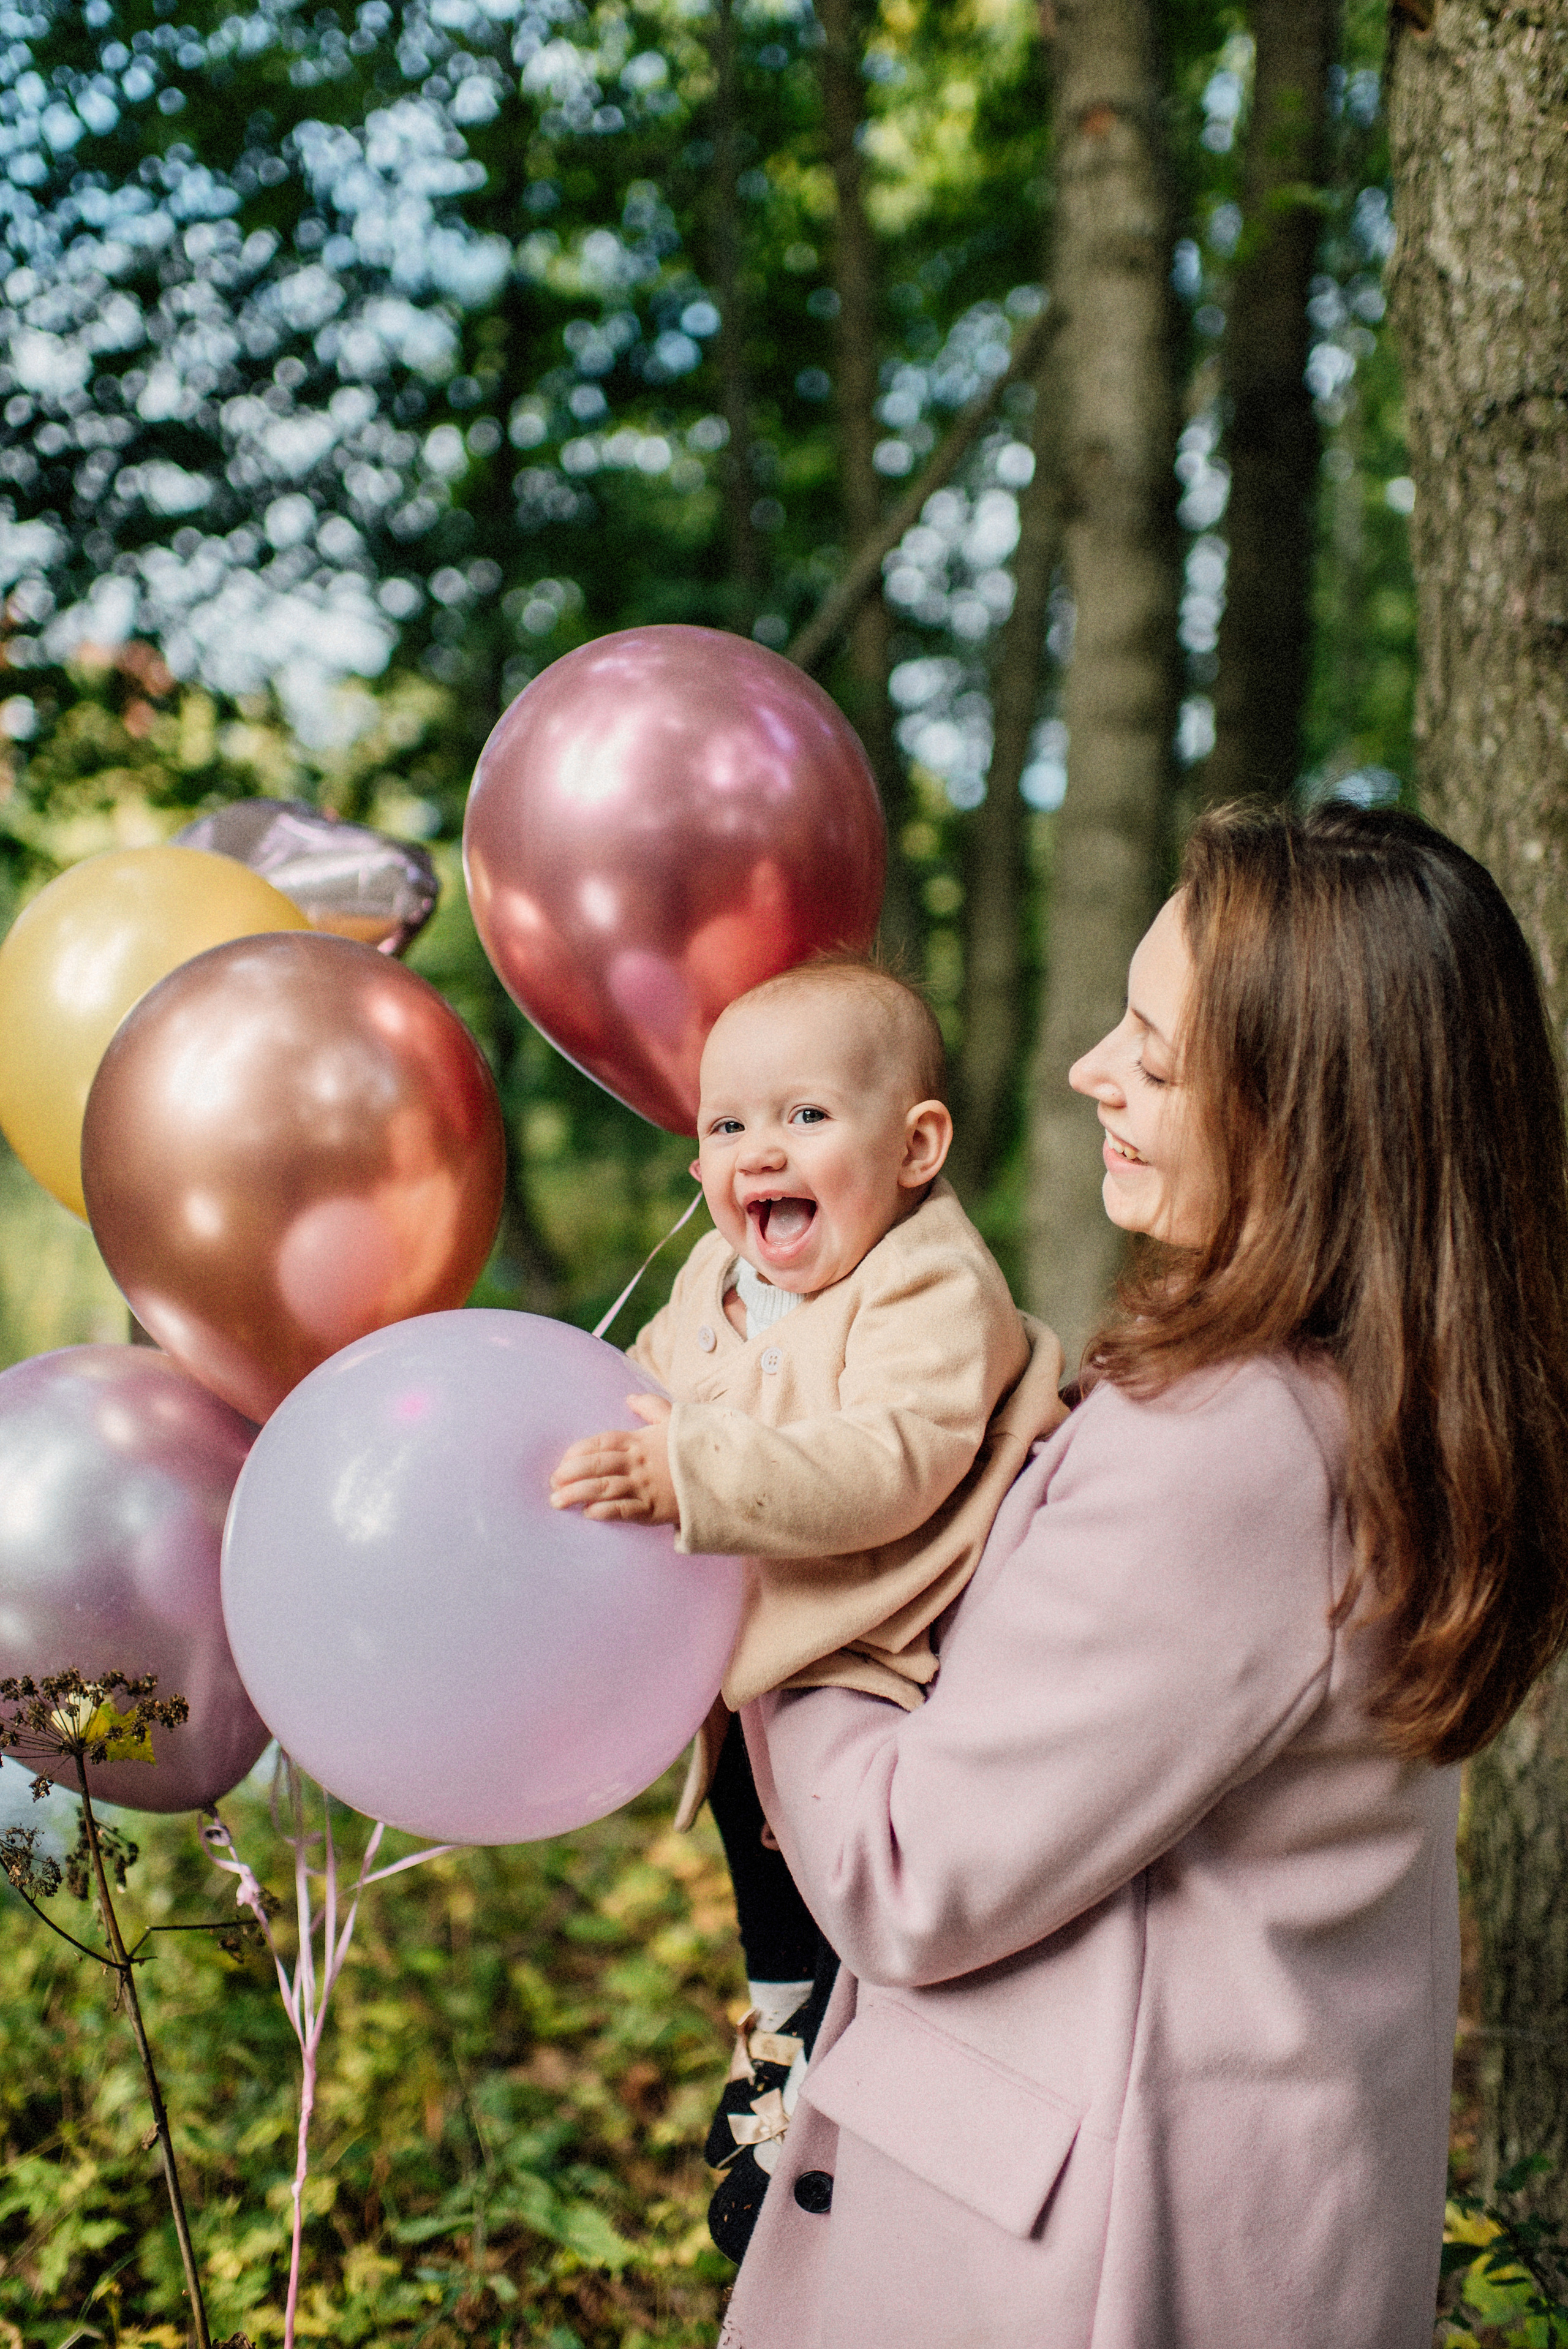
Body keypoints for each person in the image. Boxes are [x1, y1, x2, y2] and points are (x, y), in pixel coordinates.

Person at [717, 803, 1568, 2349]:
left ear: (1311, 1116)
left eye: (1155, 1058)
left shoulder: (1229, 1447)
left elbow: (913, 1874)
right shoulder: (1379, 1400)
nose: (1086, 1071)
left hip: (1069, 2251)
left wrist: (780, 1577)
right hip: (1246, 2189)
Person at [549, 954, 1066, 2247]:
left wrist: (690, 1471)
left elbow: (893, 1462)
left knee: (868, 1912)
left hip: (890, 1661)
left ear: (915, 1145)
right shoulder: (716, 1290)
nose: (756, 1153)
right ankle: (782, 2038)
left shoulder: (926, 1283)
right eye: (727, 1126)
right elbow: (639, 1395)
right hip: (770, 1668)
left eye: (803, 1117)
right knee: (768, 1886)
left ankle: (871, 2133)